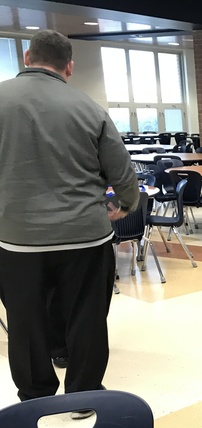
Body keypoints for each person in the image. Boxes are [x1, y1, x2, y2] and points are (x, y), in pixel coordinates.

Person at [0, 30, 139, 403]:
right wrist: (124, 206)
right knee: (87, 319)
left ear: (27, 58)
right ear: (70, 67)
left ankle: (35, 396)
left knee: (25, 322)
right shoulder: (90, 108)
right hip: (85, 237)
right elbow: (123, 175)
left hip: (17, 239)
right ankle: (83, 394)